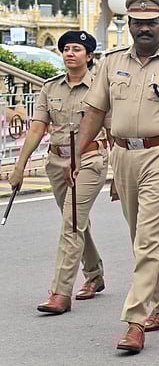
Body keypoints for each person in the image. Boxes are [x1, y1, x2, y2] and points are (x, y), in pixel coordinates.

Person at [76, 0, 159, 353]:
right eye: (138, 23)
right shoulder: (112, 61)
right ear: (130, 26)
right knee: (141, 238)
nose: (145, 28)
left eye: (152, 23)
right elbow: (94, 110)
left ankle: (135, 319)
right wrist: (78, 154)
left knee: (149, 238)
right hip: (122, 156)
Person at [9, 31, 109, 314]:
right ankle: (94, 274)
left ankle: (60, 293)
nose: (69, 53)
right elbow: (38, 127)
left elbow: (113, 130)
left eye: (77, 49)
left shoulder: (101, 88)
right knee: (76, 221)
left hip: (89, 162)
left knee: (71, 223)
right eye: (65, 49)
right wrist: (20, 167)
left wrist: (120, 172)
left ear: (89, 56)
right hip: (56, 163)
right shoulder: (50, 88)